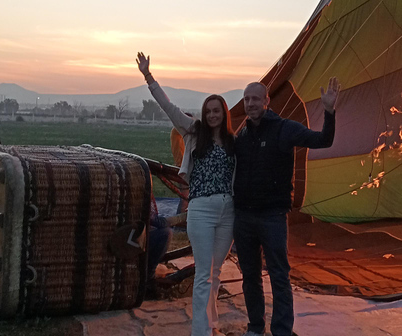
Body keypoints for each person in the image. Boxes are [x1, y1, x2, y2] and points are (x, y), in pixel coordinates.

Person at [137, 52, 235, 336]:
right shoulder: (193, 131)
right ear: (204, 114)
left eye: (218, 110)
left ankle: (211, 323)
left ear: (224, 114)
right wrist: (148, 77)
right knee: (204, 272)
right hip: (201, 209)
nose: (213, 115)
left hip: (228, 211)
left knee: (215, 272)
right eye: (210, 110)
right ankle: (200, 331)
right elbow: (168, 107)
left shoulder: (233, 142)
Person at [234, 79, 339, 336]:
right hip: (245, 215)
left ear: (267, 101)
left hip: (272, 216)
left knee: (279, 275)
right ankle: (255, 327)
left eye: (255, 99)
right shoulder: (242, 135)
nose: (250, 104)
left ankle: (281, 330)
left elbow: (323, 140)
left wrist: (329, 111)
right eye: (246, 99)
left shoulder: (285, 129)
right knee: (250, 276)